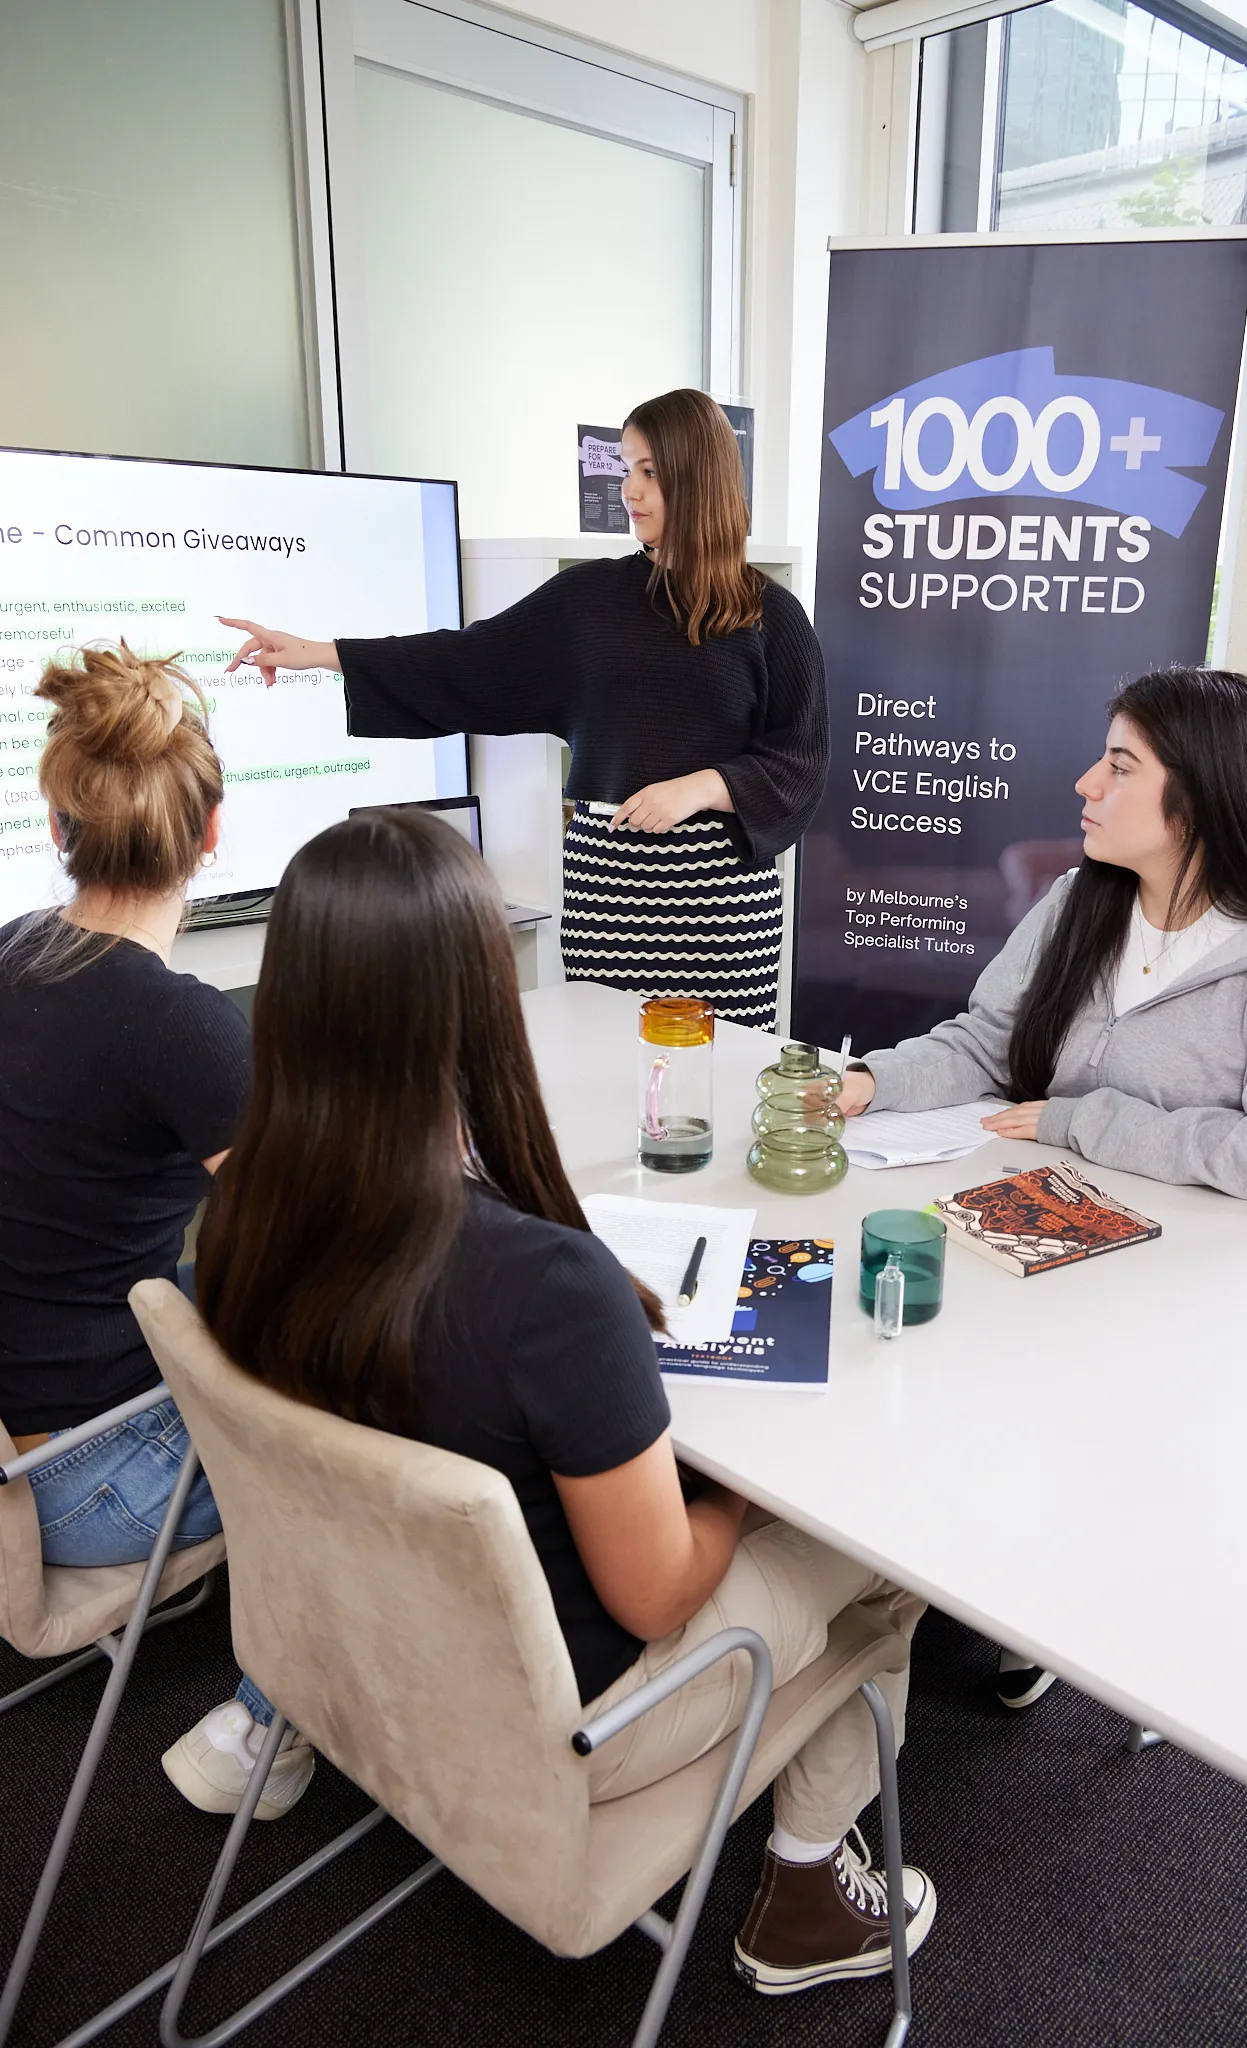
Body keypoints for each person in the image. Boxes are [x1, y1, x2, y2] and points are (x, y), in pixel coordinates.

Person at [193, 808, 935, 1996]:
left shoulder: (241, 1215)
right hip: (579, 1714)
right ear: (483, 1003)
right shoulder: (542, 1285)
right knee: (885, 1542)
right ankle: (805, 1889)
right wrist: (737, 1494)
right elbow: (656, 1592)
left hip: (352, 1650)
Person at [836, 665, 1247, 1708]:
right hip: (1034, 1239)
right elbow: (985, 1045)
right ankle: (954, 1561)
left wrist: (1089, 1122)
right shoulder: (1078, 901)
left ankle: (1048, 1595)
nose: (1084, 782)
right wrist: (863, 1082)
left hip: (1174, 1298)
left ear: (1198, 797)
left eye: (1119, 764)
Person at [218, 388, 829, 1032]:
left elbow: (802, 760)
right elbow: (468, 661)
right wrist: (319, 652)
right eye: (626, 469)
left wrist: (701, 787)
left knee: (718, 1088)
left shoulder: (770, 617)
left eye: (650, 472)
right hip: (612, 894)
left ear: (699, 477)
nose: (630, 490)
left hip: (723, 911)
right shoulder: (589, 599)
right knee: (602, 1076)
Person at [0, 643, 308, 1819]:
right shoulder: (180, 1026)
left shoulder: (16, 951)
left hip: (18, 1443)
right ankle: (270, 1725)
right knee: (362, 1411)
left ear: (59, 827)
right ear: (214, 833)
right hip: (87, 1483)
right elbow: (317, 1232)